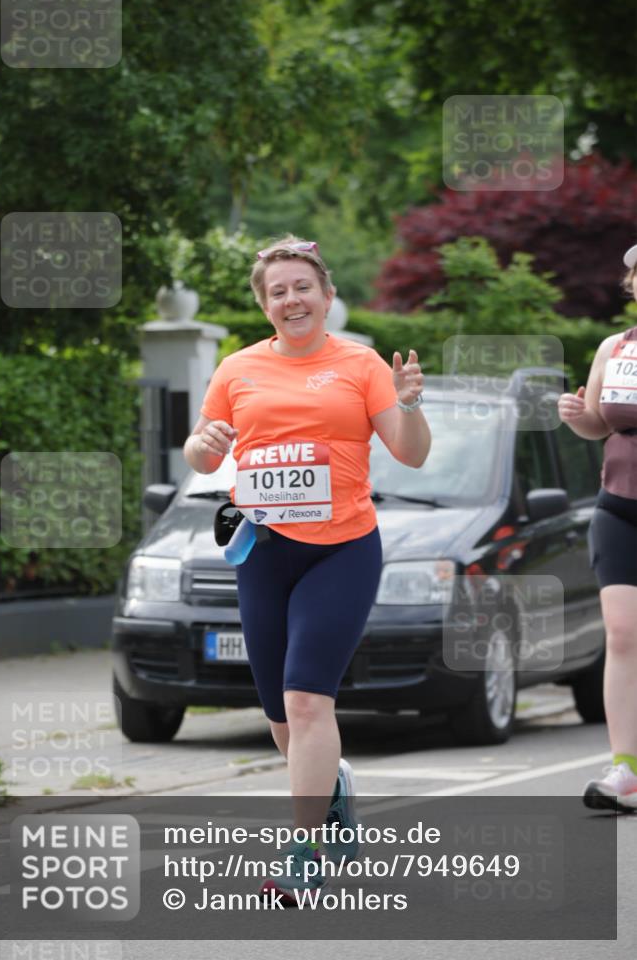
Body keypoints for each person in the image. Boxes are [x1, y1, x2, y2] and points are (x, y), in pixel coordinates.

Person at [183, 235, 431, 901]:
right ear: (264, 305)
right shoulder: (236, 369)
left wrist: (408, 403)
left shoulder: (360, 363)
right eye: (277, 291)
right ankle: (335, 788)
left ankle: (303, 850)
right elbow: (204, 456)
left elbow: (409, 455)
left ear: (325, 295)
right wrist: (200, 445)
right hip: (261, 553)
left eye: (301, 287)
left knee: (306, 697)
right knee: (279, 718)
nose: (290, 299)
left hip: (341, 548)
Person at [557, 243, 637, 813]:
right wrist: (577, 415)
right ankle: (625, 769)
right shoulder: (615, 348)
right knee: (623, 635)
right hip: (618, 506)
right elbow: (596, 424)